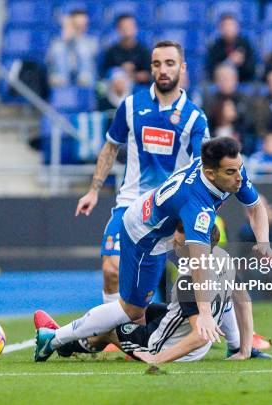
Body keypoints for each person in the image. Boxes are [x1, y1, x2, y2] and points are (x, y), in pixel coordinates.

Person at [36, 137, 272, 362]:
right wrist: (203, 312)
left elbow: (255, 207)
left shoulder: (230, 171)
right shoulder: (195, 205)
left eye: (239, 168)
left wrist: (263, 242)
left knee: (221, 276)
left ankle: (237, 347)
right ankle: (55, 338)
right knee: (131, 309)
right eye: (231, 172)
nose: (239, 178)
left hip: (164, 222)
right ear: (210, 174)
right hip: (144, 235)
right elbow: (199, 261)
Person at [75, 41, 210, 305]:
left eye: (170, 63)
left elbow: (202, 166)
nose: (163, 70)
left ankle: (238, 336)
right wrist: (93, 189)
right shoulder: (131, 106)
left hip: (172, 209)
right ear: (150, 68)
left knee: (201, 272)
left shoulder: (195, 117)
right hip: (130, 203)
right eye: (157, 64)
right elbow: (111, 147)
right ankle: (115, 334)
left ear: (182, 68)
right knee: (111, 269)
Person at [34, 224, 272, 362]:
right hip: (187, 336)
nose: (173, 245)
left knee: (110, 328)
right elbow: (243, 301)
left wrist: (157, 358)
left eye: (178, 243)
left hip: (164, 346)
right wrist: (242, 348)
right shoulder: (224, 258)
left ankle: (61, 343)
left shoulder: (189, 280)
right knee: (137, 310)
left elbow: (201, 334)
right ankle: (63, 338)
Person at [47, 9, 98, 88]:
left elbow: (94, 55)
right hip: (61, 76)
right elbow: (49, 59)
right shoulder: (58, 42)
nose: (81, 27)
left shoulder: (91, 41)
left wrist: (75, 38)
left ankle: (83, 81)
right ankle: (62, 84)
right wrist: (65, 38)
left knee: (83, 48)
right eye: (77, 25)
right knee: (59, 48)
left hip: (87, 77)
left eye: (84, 24)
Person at [100, 14, 150, 85]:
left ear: (136, 28)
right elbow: (105, 74)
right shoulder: (111, 51)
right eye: (124, 27)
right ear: (118, 29)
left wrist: (132, 75)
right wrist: (120, 71)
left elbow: (149, 75)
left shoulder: (144, 50)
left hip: (139, 89)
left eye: (130, 26)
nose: (127, 29)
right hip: (115, 89)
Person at [205, 14, 256, 82]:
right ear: (220, 29)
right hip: (221, 85)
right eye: (225, 26)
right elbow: (211, 71)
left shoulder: (246, 45)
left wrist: (241, 63)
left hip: (243, 82)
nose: (228, 29)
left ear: (237, 27)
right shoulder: (214, 47)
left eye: (231, 25)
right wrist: (229, 62)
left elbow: (252, 70)